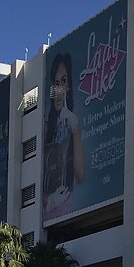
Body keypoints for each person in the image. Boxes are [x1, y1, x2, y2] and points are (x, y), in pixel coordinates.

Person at [43, 52, 85, 216]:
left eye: (63, 81)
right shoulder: (46, 127)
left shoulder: (72, 123)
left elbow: (80, 175)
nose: (59, 89)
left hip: (68, 211)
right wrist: (49, 199)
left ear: (68, 87)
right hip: (46, 215)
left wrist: (75, 129)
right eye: (56, 83)